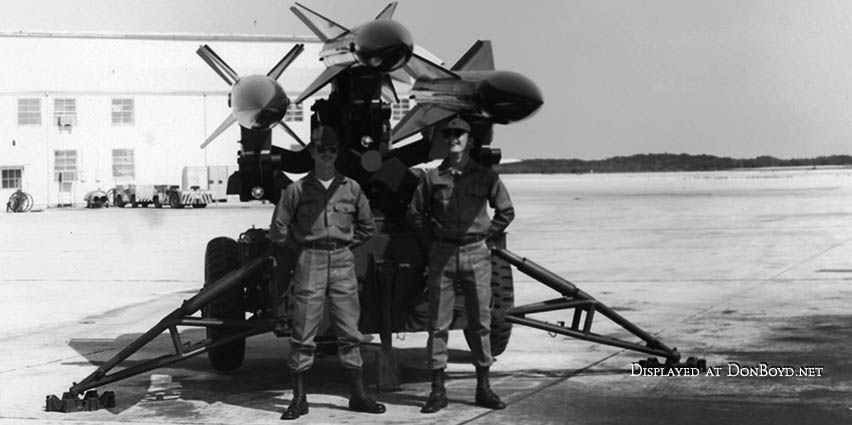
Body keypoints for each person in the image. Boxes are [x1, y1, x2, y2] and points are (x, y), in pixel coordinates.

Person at [269, 126, 385, 420]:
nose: (327, 153)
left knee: (349, 330)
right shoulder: (297, 190)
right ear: (311, 152)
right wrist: (303, 248)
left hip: (343, 261)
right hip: (311, 260)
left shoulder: (352, 188)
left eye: (332, 148)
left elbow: (367, 226)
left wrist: (344, 245)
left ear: (337, 152)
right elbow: (279, 229)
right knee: (304, 330)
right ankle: (299, 398)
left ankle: (358, 395)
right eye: (321, 148)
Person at [409, 117, 515, 413]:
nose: (454, 137)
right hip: (442, 255)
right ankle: (437, 390)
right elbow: (415, 214)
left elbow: (506, 211)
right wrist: (431, 242)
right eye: (450, 134)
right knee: (438, 325)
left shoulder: (484, 177)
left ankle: (483, 387)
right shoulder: (433, 178)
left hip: (475, 254)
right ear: (445, 139)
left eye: (460, 134)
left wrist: (486, 237)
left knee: (480, 323)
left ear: (469, 139)